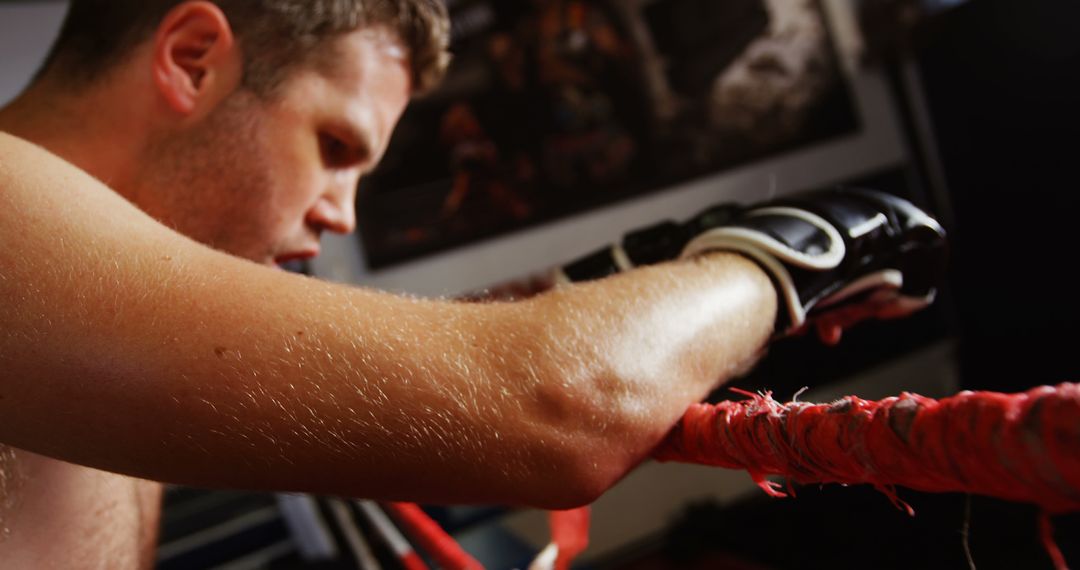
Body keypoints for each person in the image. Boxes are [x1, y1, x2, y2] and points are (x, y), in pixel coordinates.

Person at [0, 1, 944, 568]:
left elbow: (427, 370)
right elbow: (556, 404)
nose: (343, 217)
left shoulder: (98, 333)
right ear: (191, 58)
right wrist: (785, 251)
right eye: (335, 148)